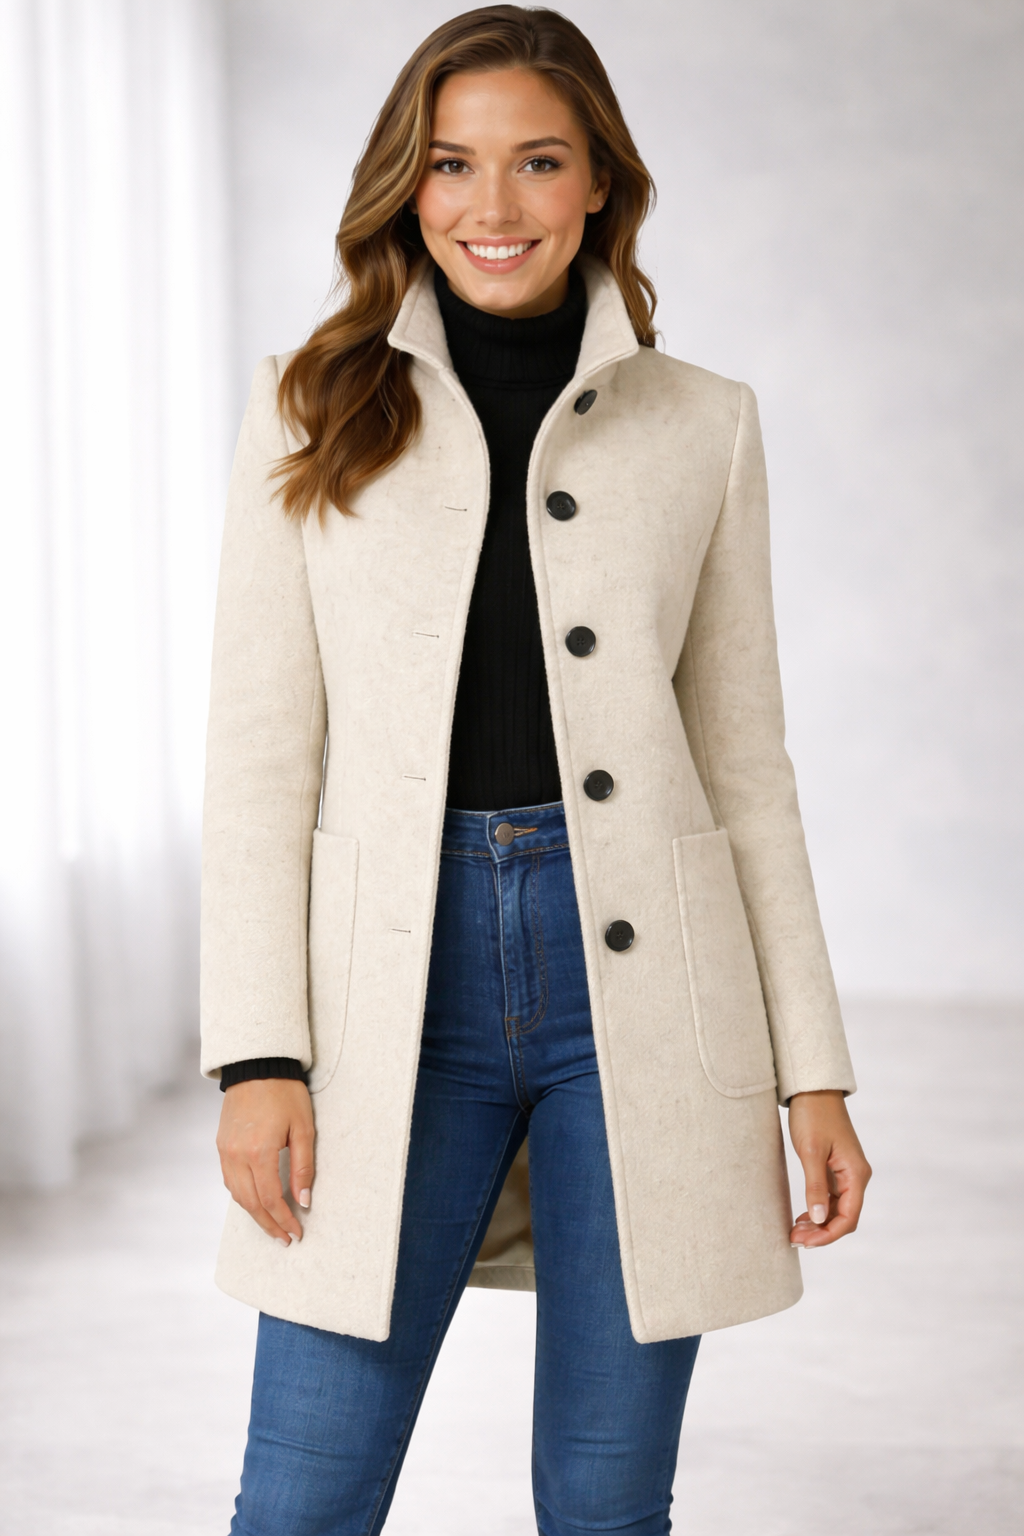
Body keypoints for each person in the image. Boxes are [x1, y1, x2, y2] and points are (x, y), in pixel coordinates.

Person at [201, 7, 871, 1533]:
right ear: (407, 182)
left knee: (609, 1501)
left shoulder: (705, 427)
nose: (490, 205)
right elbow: (256, 761)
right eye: (451, 163)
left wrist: (815, 1070)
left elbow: (745, 770)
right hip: (389, 990)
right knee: (302, 1495)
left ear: (598, 183)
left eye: (538, 162)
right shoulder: (309, 406)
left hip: (646, 989)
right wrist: (256, 1057)